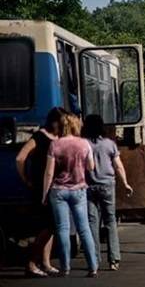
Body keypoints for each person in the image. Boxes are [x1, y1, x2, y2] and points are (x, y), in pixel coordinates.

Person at [42, 113, 98, 277]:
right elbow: (91, 167)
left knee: (62, 229)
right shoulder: (84, 144)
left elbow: (49, 172)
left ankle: (65, 267)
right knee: (84, 228)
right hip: (79, 189)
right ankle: (92, 266)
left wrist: (44, 194)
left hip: (58, 190)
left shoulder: (55, 145)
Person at [15, 107, 66, 277]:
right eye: (62, 122)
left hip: (56, 185)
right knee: (47, 225)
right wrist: (26, 179)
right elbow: (20, 157)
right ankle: (31, 262)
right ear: (54, 122)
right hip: (41, 186)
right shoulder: (40, 136)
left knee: (50, 226)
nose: (65, 125)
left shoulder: (60, 137)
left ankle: (45, 262)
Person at [82, 115, 133, 271]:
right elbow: (118, 166)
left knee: (92, 223)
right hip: (107, 185)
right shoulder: (109, 144)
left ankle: (94, 260)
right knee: (110, 221)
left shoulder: (83, 144)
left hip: (89, 186)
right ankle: (114, 259)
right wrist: (125, 183)